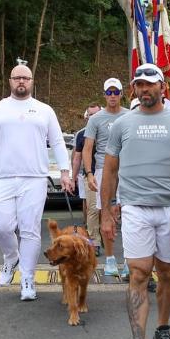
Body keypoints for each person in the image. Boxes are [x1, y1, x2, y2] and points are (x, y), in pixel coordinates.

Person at [101, 64, 170, 339]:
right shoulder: (123, 124)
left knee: (167, 272)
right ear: (134, 89)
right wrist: (106, 210)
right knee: (139, 273)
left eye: (150, 84)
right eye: (139, 85)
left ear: (162, 87)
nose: (144, 90)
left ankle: (163, 328)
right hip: (135, 207)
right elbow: (110, 169)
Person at [0, 64, 72, 301]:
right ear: (10, 81)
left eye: (26, 78)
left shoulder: (44, 110)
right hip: (2, 178)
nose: (21, 81)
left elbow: (58, 142)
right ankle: (11, 257)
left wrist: (65, 171)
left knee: (30, 230)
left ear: (32, 81)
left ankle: (27, 279)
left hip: (34, 178)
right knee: (1, 226)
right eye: (17, 78)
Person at [83, 78, 129, 278]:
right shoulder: (95, 119)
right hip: (103, 170)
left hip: (126, 170)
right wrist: (90, 173)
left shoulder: (130, 115)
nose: (112, 96)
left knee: (129, 216)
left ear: (121, 93)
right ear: (104, 95)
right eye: (108, 92)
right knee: (106, 215)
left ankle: (129, 259)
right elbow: (87, 148)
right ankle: (110, 259)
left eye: (115, 92)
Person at [71, 103, 101, 247]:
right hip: (90, 175)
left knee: (110, 210)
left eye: (96, 114)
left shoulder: (110, 130)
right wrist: (73, 178)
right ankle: (94, 241)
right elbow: (77, 158)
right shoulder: (82, 134)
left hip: (109, 175)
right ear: (86, 116)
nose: (93, 118)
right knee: (93, 209)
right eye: (91, 115)